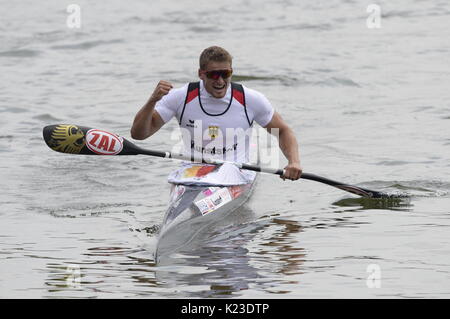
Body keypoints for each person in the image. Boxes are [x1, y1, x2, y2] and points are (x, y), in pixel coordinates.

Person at [131, 46, 302, 181]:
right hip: (192, 171)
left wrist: (293, 162)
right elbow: (139, 135)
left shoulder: (249, 99)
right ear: (201, 74)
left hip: (237, 169)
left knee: (227, 172)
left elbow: (283, 131)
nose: (220, 81)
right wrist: (152, 100)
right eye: (213, 74)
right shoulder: (181, 96)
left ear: (231, 72)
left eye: (225, 74)